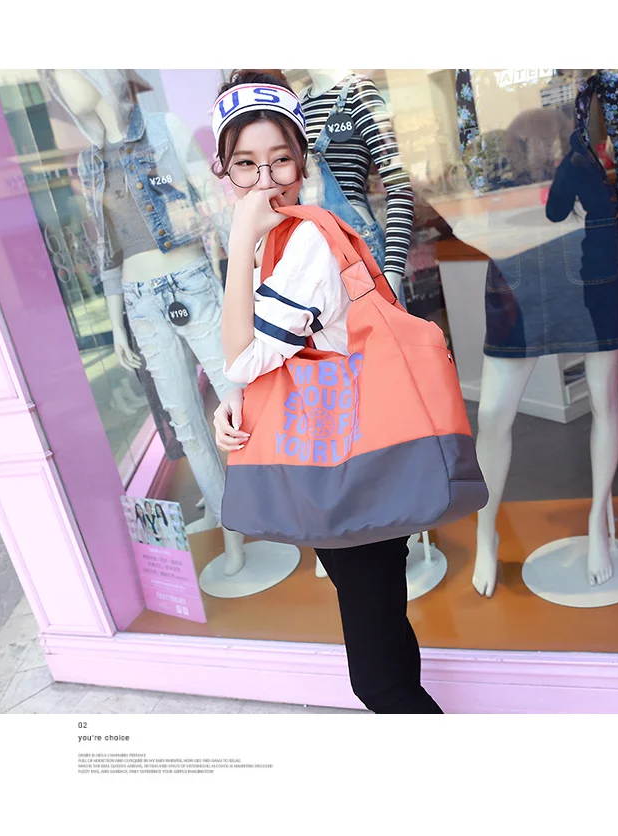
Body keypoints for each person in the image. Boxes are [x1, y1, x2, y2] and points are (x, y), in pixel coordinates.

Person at [210, 70, 443, 714]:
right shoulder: (276, 240)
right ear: (223, 170)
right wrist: (236, 395)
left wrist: (238, 239)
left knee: (379, 682)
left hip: (352, 467)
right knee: (386, 644)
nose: (265, 180)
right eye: (246, 164)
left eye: (280, 160)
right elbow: (264, 357)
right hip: (336, 459)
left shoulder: (306, 240)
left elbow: (242, 356)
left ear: (303, 159)